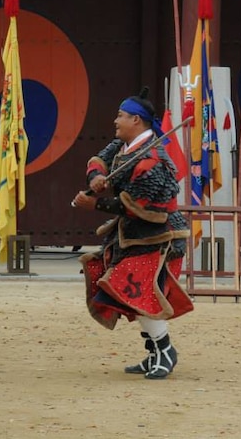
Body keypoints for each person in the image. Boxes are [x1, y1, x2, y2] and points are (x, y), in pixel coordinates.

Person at [73, 87, 193, 380]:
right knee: (130, 295)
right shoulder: (124, 146)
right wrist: (96, 178)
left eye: (121, 116)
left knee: (135, 292)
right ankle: (155, 352)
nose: (116, 121)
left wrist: (96, 203)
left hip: (159, 238)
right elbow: (97, 160)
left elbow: (147, 208)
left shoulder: (152, 160)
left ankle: (165, 351)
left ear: (137, 121)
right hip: (133, 236)